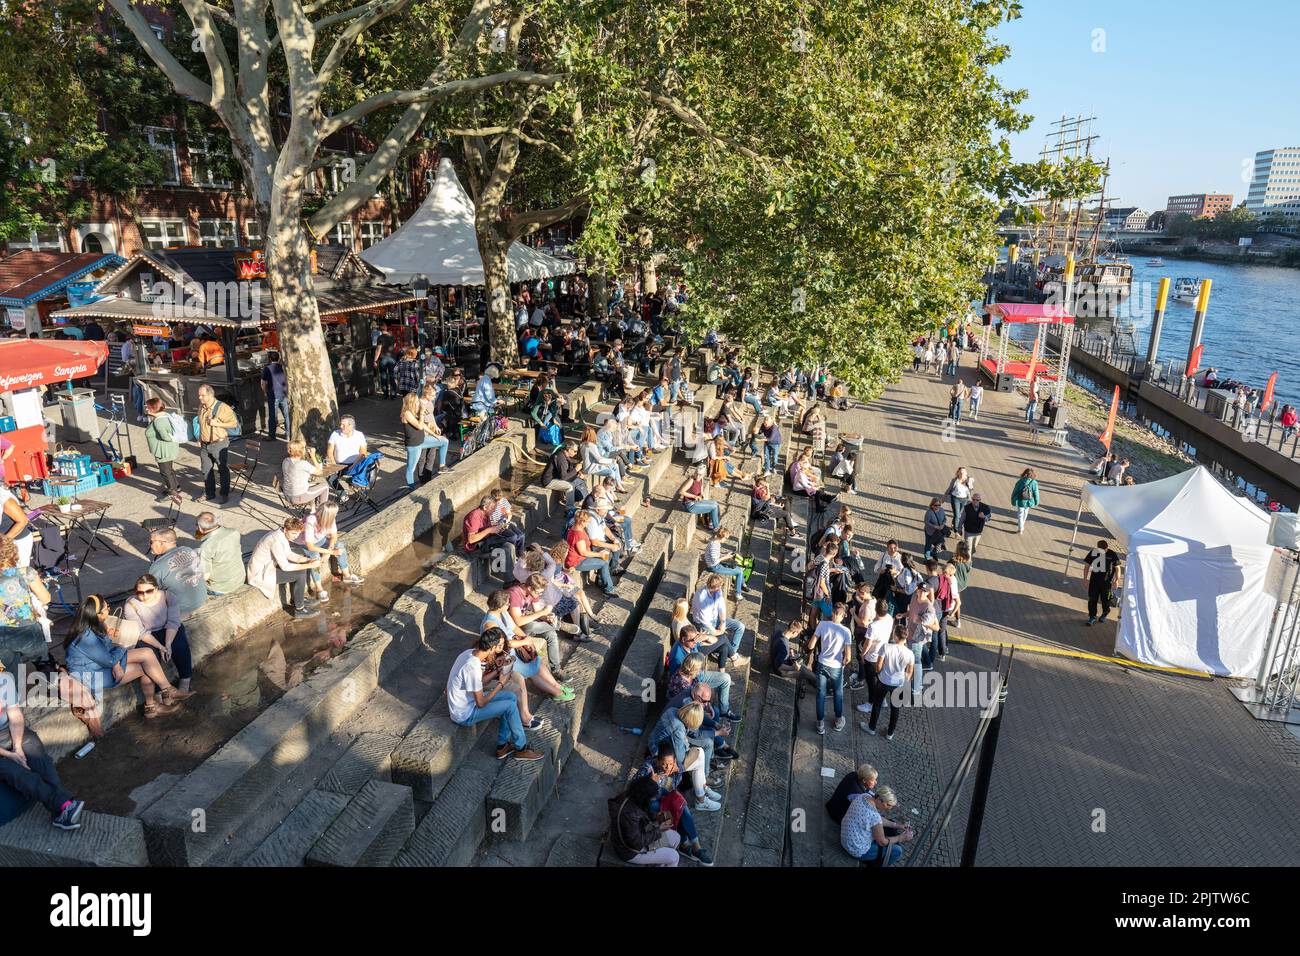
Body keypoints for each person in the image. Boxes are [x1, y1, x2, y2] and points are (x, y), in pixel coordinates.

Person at [64, 595, 192, 718]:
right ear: (97, 614)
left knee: (147, 658)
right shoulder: (85, 637)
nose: (109, 609)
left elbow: (108, 651)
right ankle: (161, 697)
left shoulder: (95, 626)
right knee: (147, 660)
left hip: (100, 666)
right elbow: (109, 659)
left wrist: (116, 662)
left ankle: (158, 701)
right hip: (92, 676)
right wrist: (121, 650)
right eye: (106, 608)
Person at [0, 667, 85, 831]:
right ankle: (63, 804)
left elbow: (16, 717)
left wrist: (17, 748)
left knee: (37, 755)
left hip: (9, 732)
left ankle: (63, 807)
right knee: (12, 770)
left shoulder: (5, 680)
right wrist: (9, 755)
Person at [446, 628, 544, 762]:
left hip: (468, 701)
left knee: (512, 697)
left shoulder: (469, 653)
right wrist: (501, 684)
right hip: (464, 713)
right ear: (492, 648)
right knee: (509, 705)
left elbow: (479, 682)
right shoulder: (472, 666)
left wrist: (498, 670)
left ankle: (502, 746)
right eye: (499, 646)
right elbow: (481, 703)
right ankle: (521, 749)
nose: (502, 649)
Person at [633, 742, 713, 865]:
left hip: (666, 799)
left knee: (680, 805)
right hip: (649, 804)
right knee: (673, 808)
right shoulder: (647, 769)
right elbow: (634, 789)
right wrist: (651, 782)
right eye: (664, 764)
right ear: (658, 761)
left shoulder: (675, 768)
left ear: (674, 761)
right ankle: (684, 845)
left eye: (670, 764)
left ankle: (696, 847)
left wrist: (678, 770)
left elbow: (673, 788)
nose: (667, 767)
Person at [121, 573, 194, 693]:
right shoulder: (131, 605)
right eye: (140, 592)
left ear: (156, 589)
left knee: (180, 646)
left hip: (169, 629)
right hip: (148, 635)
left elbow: (173, 622)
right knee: (151, 657)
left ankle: (185, 680)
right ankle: (160, 692)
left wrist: (168, 644)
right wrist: (160, 646)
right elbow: (141, 632)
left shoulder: (168, 597)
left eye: (149, 591)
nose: (144, 596)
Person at [646, 701, 721, 814]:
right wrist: (687, 744)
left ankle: (703, 789)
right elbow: (680, 759)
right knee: (699, 755)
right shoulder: (679, 729)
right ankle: (701, 798)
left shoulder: (674, 711)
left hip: (658, 746)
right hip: (660, 756)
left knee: (699, 753)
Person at [247, 517, 321, 618]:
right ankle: (299, 609)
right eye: (293, 533)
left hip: (268, 566)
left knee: (301, 569)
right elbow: (285, 567)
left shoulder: (281, 534)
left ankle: (297, 599)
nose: (296, 537)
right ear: (286, 529)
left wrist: (307, 560)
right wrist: (310, 565)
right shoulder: (276, 540)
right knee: (300, 574)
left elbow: (289, 554)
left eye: (298, 533)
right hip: (261, 573)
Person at [608, 774, 685, 866]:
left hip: (641, 832)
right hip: (630, 851)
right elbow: (636, 843)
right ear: (645, 797)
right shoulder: (628, 815)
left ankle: (659, 862)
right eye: (652, 798)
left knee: (676, 838)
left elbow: (645, 810)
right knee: (674, 857)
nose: (653, 800)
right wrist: (659, 829)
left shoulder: (634, 796)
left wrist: (657, 817)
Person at [0, 536, 50, 674]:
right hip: (26, 630)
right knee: (44, 662)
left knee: (9, 670)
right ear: (12, 552)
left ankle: (12, 693)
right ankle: (51, 686)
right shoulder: (25, 572)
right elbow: (45, 598)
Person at [297, 501, 364, 599]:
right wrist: (331, 552)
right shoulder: (311, 521)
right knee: (315, 558)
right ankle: (319, 588)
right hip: (304, 543)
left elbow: (334, 537)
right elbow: (310, 546)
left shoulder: (331, 520)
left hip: (320, 540)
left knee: (340, 545)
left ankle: (346, 575)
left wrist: (328, 552)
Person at [807, 603, 852, 734]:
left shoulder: (822, 624)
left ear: (833, 613)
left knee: (820, 694)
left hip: (822, 664)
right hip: (836, 667)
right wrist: (842, 664)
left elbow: (811, 645)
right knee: (838, 694)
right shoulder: (846, 631)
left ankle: (820, 724)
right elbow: (848, 657)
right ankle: (838, 720)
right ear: (843, 616)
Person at [863, 623, 913, 739]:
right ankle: (890, 733)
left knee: (877, 704)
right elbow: (910, 672)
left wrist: (879, 673)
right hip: (898, 683)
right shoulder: (910, 653)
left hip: (884, 680)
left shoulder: (886, 647)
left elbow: (879, 665)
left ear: (895, 636)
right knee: (895, 709)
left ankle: (872, 727)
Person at [841, 785, 911, 865]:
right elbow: (882, 842)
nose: (889, 808)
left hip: (846, 840)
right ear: (879, 799)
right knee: (897, 850)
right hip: (856, 850)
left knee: (889, 825)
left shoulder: (864, 796)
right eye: (888, 805)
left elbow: (878, 820)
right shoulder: (874, 816)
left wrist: (897, 825)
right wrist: (900, 838)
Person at [146, 527, 207, 619]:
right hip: (201, 598)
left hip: (180, 609)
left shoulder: (157, 567)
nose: (150, 545)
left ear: (161, 543)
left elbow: (152, 594)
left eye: (151, 542)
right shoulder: (188, 550)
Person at [463, 494, 525, 579]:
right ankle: (510, 581)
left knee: (510, 545)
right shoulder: (474, 517)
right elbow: (471, 539)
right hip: (476, 549)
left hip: (486, 542)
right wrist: (489, 530)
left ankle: (513, 573)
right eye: (492, 508)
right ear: (485, 507)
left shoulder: (486, 514)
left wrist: (497, 527)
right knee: (505, 550)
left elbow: (486, 529)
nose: (494, 511)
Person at [690, 574, 746, 667]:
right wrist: (716, 631)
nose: (721, 588)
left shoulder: (718, 591)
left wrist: (723, 622)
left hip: (715, 619)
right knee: (722, 636)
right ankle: (734, 658)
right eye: (720, 586)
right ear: (714, 587)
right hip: (703, 624)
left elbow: (721, 607)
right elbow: (704, 620)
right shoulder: (701, 597)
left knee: (740, 626)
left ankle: (731, 653)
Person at [195, 384, 238, 504]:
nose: (200, 398)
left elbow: (233, 424)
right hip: (205, 444)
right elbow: (201, 424)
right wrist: (199, 438)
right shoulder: (201, 406)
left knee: (222, 469)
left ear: (210, 395)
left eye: (202, 395)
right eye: (199, 395)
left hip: (219, 444)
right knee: (206, 470)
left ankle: (224, 493)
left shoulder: (222, 407)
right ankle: (209, 493)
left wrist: (217, 424)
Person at [563, 508, 618, 596]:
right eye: (587, 522)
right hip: (577, 562)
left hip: (581, 557)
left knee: (606, 557)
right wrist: (600, 554)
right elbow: (583, 552)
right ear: (582, 522)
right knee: (603, 562)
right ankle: (608, 589)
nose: (588, 523)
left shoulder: (575, 527)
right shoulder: (578, 534)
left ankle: (600, 580)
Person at [400, 392, 448, 489]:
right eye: (417, 402)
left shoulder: (413, 412)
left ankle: (442, 466)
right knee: (411, 468)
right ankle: (411, 488)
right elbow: (419, 426)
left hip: (422, 440)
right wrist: (421, 413)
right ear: (412, 402)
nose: (419, 403)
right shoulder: (406, 413)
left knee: (444, 441)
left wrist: (435, 435)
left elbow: (424, 426)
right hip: (414, 445)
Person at [195, 512, 244, 596]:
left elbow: (205, 576)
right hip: (239, 579)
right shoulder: (234, 532)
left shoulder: (206, 547)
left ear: (200, 528)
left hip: (220, 588)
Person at [143, 397, 181, 503]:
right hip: (168, 449)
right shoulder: (165, 416)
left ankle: (173, 493)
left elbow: (165, 437)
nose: (146, 409)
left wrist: (173, 439)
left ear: (152, 408)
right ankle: (176, 487)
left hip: (163, 451)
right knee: (169, 470)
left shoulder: (159, 422)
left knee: (165, 472)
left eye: (148, 407)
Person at [280, 439, 329, 508]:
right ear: (300, 450)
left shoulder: (286, 461)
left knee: (315, 485)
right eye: (304, 448)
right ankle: (322, 512)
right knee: (325, 486)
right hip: (298, 496)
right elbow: (320, 472)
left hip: (288, 494)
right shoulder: (302, 464)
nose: (305, 449)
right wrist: (313, 456)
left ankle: (315, 508)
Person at [1083, 538, 1121, 625]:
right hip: (1094, 581)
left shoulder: (1112, 554)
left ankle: (1105, 612)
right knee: (1092, 599)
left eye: (1105, 550)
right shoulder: (1094, 552)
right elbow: (1086, 566)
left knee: (1106, 600)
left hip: (1107, 582)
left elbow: (1117, 568)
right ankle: (1092, 616)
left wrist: (1116, 580)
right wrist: (1085, 579)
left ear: (1107, 547)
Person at [703, 526, 745, 597]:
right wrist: (725, 557)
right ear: (722, 537)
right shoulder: (714, 545)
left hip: (715, 565)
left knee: (738, 568)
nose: (726, 540)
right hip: (714, 567)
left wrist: (724, 555)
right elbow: (715, 561)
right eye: (726, 538)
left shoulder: (715, 542)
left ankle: (742, 584)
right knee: (739, 572)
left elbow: (716, 555)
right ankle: (738, 594)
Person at [677, 464, 721, 531]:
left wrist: (701, 495)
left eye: (700, 474)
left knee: (715, 503)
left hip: (696, 502)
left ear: (703, 475)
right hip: (689, 505)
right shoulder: (691, 480)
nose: (697, 476)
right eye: (696, 473)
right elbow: (681, 492)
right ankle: (716, 528)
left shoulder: (701, 479)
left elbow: (701, 489)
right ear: (694, 472)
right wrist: (694, 496)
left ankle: (711, 523)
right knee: (714, 507)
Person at [0, 482, 33, 569]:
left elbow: (23, 521)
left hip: (18, 541)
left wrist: (4, 543)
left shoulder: (4, 499)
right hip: (4, 545)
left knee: (19, 573)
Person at [261, 351, 290, 440]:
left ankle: (272, 435)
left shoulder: (267, 368)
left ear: (269, 359)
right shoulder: (283, 367)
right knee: (286, 415)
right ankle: (289, 434)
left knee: (273, 416)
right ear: (279, 358)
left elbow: (263, 383)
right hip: (283, 394)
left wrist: (265, 392)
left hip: (273, 395)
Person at [960, 493, 991, 557]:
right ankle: (968, 560)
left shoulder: (985, 508)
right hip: (968, 531)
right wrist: (959, 528)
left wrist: (984, 517)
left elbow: (989, 518)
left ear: (980, 500)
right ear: (972, 499)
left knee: (973, 547)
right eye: (973, 499)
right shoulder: (967, 507)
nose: (975, 501)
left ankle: (968, 554)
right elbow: (962, 518)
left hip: (978, 532)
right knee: (968, 547)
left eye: (977, 500)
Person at [1011, 467, 1040, 534]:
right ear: (1032, 475)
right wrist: (1036, 501)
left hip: (1021, 500)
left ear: (1024, 473)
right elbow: (1036, 493)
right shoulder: (1034, 483)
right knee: (1026, 512)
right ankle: (1022, 524)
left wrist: (1013, 500)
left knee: (1020, 514)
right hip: (1029, 501)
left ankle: (1020, 529)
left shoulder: (1020, 481)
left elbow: (1015, 491)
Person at [923, 497, 950, 562]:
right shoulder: (929, 512)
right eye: (935, 505)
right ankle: (927, 558)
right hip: (930, 532)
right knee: (928, 545)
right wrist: (935, 527)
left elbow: (945, 519)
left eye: (939, 505)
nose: (937, 506)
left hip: (940, 531)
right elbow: (926, 522)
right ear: (932, 505)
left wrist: (942, 525)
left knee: (939, 545)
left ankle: (933, 554)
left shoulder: (942, 510)